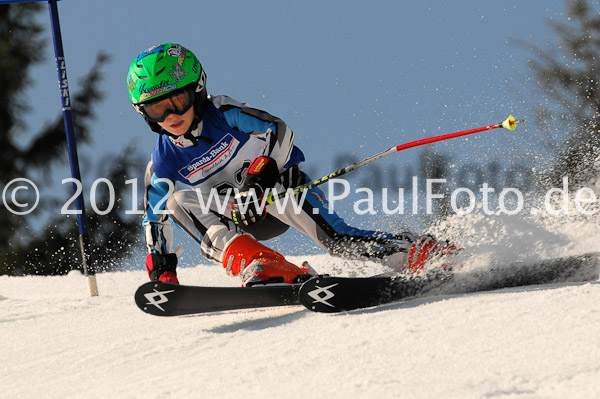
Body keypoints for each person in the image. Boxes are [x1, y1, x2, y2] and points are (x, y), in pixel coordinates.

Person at [127, 43, 454, 287]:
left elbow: (280, 130)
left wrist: (260, 177)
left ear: (197, 91)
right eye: (158, 110)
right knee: (176, 201)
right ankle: (260, 263)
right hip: (241, 216)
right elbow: (154, 218)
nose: (171, 116)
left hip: (279, 190)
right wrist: (162, 266)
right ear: (145, 115)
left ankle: (416, 252)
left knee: (338, 242)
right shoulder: (163, 161)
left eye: (178, 101)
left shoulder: (223, 114)